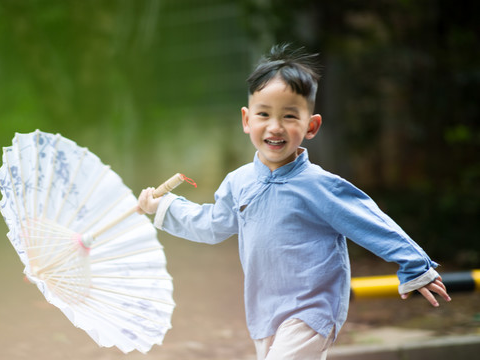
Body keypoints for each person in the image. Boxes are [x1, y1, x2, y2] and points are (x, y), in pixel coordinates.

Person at [137, 44, 451, 360]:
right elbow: (212, 224)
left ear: (310, 126)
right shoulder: (238, 181)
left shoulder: (317, 185)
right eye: (263, 114)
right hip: (263, 311)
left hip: (313, 309)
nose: (275, 127)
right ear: (247, 120)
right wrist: (164, 206)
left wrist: (414, 264)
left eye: (289, 116)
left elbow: (369, 220)